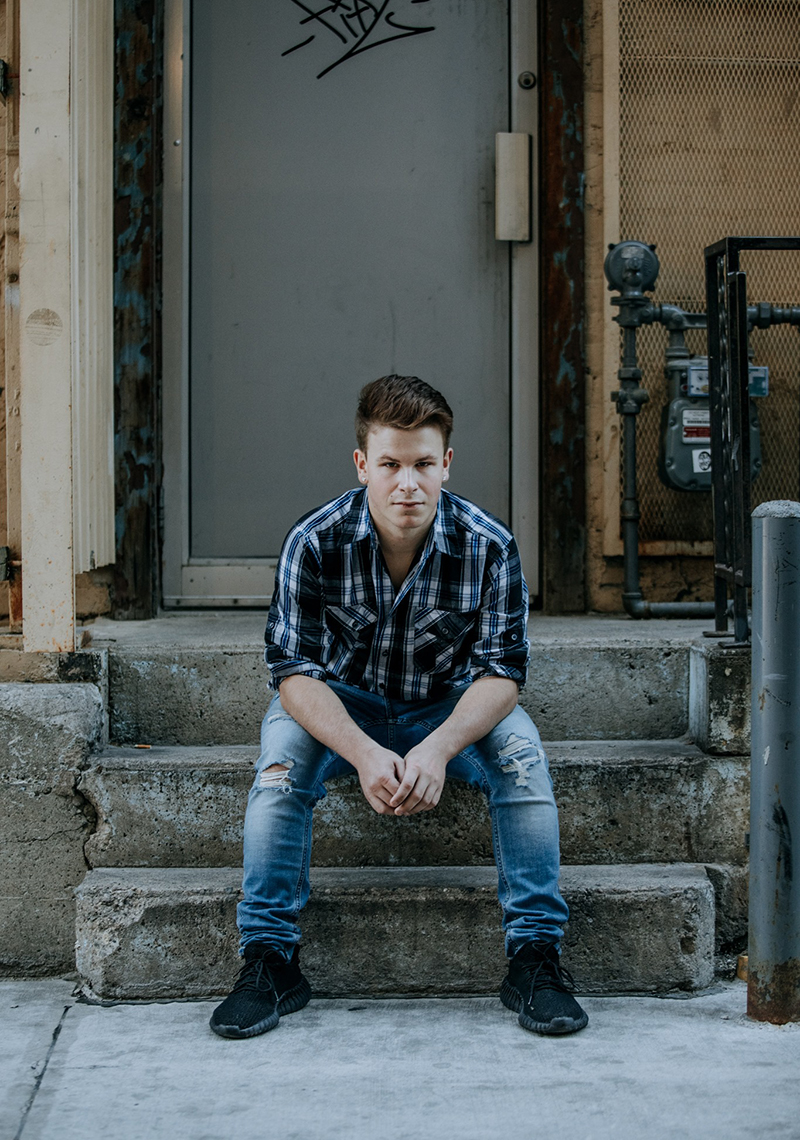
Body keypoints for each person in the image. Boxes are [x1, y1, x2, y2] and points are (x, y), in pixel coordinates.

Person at [210, 375, 588, 1039]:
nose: (406, 484)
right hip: (339, 708)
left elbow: (504, 674)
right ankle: (269, 960)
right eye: (389, 465)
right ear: (363, 465)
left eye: (422, 464)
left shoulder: (489, 544)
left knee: (523, 758)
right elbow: (292, 675)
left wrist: (439, 747)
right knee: (278, 769)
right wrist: (362, 752)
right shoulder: (314, 540)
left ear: (447, 462)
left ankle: (535, 959)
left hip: (451, 707)